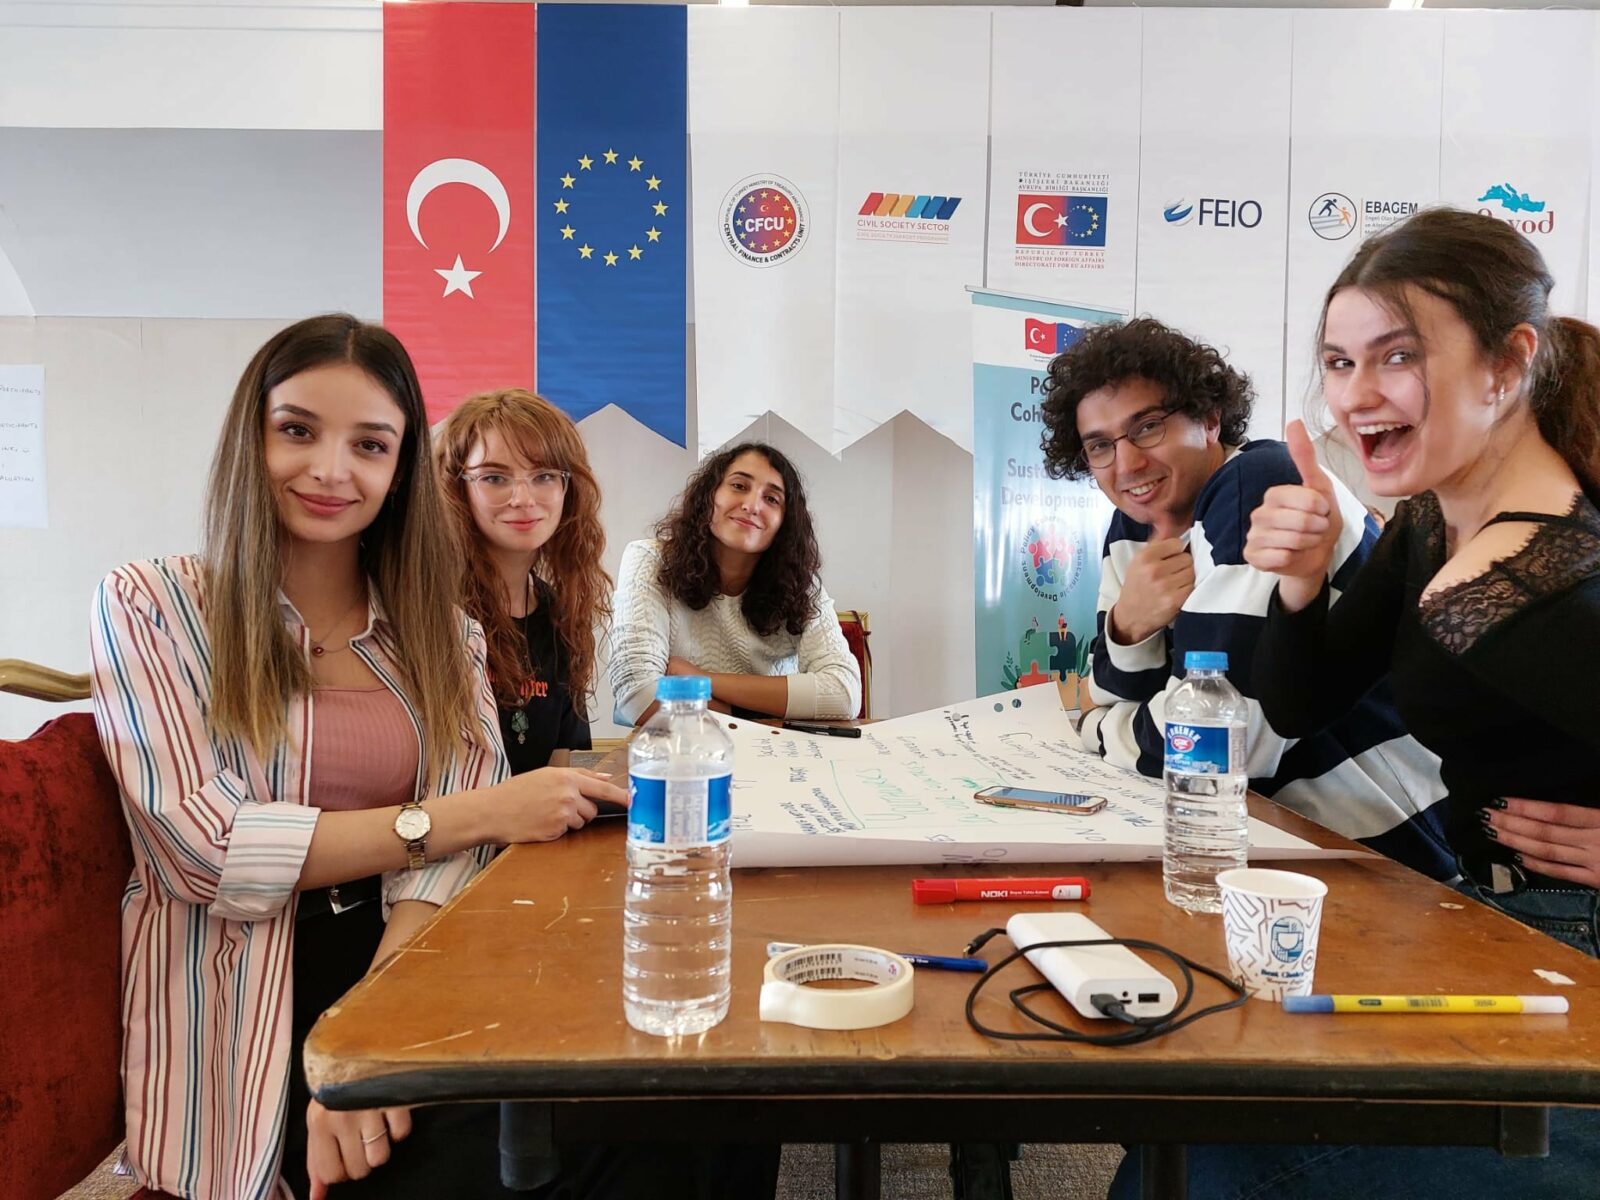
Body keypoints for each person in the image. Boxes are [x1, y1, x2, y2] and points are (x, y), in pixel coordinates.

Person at [1114, 208, 1600, 1198]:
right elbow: (1301, 701)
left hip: (1569, 964)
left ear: (1508, 363)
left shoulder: (1528, 580)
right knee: (1203, 1114)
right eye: (1339, 362)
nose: (1356, 395)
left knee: (1213, 1158)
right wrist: (1299, 581)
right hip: (1491, 928)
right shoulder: (1434, 521)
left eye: (1398, 356)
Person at [89, 315, 626, 1200]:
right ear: (249, 439)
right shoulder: (152, 602)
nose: (333, 470)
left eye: (370, 445)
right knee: (601, 1135)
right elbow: (205, 849)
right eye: (297, 430)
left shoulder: (442, 631)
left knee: (685, 1092)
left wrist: (371, 1023)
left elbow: (450, 857)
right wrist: (471, 814)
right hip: (249, 1012)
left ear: (401, 469)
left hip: (408, 967)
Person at [1038, 317, 1453, 879]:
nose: (1128, 464)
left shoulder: (1258, 485)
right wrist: (1128, 627)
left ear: (1209, 419)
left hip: (1391, 858)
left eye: (1148, 427)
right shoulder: (1135, 521)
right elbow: (1115, 687)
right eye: (1100, 446)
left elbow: (1218, 747)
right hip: (1270, 846)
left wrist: (1090, 729)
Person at [608, 441, 861, 726]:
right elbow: (638, 696)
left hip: (774, 750)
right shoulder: (650, 560)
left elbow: (844, 695)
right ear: (709, 495)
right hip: (679, 749)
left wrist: (701, 680)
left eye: (772, 499)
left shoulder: (801, 584)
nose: (752, 506)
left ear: (785, 522)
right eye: (739, 486)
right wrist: (753, 711)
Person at [437, 389, 609, 777]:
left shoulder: (561, 615)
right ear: (457, 489)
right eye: (494, 478)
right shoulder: (430, 607)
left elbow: (564, 763)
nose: (523, 498)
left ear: (568, 487)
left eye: (543, 476)